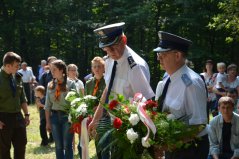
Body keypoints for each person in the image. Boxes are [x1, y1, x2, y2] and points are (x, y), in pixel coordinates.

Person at [88, 22, 155, 159]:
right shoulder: (110, 60)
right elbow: (108, 88)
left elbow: (146, 104)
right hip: (115, 125)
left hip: (131, 131)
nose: (111, 53)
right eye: (107, 50)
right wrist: (95, 119)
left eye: (113, 48)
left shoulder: (135, 67)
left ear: (123, 40)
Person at [153, 31, 209, 159]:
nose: (158, 57)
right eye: (158, 54)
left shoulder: (191, 83)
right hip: (175, 147)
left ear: (177, 55)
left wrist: (166, 145)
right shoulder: (169, 78)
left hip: (190, 150)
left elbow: (199, 125)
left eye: (162, 54)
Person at [0, 52, 30, 159]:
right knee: (4, 150)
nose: (19, 68)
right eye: (16, 66)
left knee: (21, 146)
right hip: (3, 118)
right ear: (8, 66)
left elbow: (22, 98)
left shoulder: (17, 77)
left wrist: (26, 114)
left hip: (18, 117)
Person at [45, 59, 76, 159]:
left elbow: (75, 103)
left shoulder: (71, 84)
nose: (52, 72)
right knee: (58, 146)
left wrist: (74, 120)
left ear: (62, 70)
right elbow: (47, 106)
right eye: (51, 70)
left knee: (67, 146)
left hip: (67, 118)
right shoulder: (50, 85)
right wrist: (48, 122)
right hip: (54, 117)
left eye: (54, 69)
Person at [78, 56, 106, 159]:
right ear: (92, 69)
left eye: (99, 66)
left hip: (103, 119)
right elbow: (86, 100)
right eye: (94, 67)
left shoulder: (107, 82)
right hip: (90, 118)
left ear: (104, 68)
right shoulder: (89, 83)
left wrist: (98, 108)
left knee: (102, 147)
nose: (97, 69)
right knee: (81, 145)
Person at [39, 56, 57, 143]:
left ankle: (52, 137)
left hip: (56, 102)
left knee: (54, 120)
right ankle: (44, 139)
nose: (53, 64)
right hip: (45, 102)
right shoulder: (44, 75)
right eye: (51, 62)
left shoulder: (60, 75)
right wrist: (38, 100)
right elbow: (40, 89)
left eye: (55, 62)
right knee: (43, 121)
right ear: (48, 64)